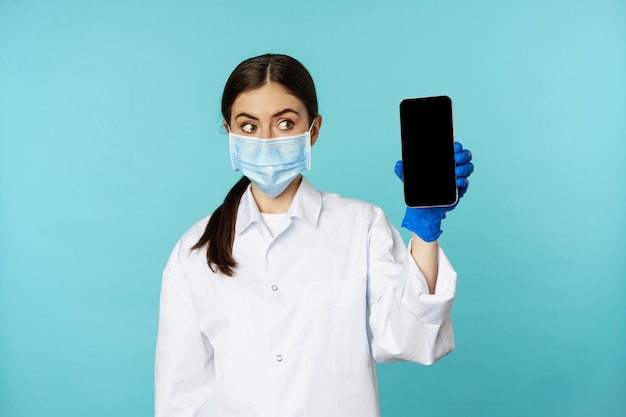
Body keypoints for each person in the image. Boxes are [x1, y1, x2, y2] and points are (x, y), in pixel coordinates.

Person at [155, 53, 474, 417]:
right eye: (248, 126)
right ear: (229, 132)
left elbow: (410, 339)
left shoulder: (361, 225)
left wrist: (425, 229)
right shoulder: (194, 251)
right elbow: (180, 396)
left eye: (285, 122)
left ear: (314, 130)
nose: (266, 140)